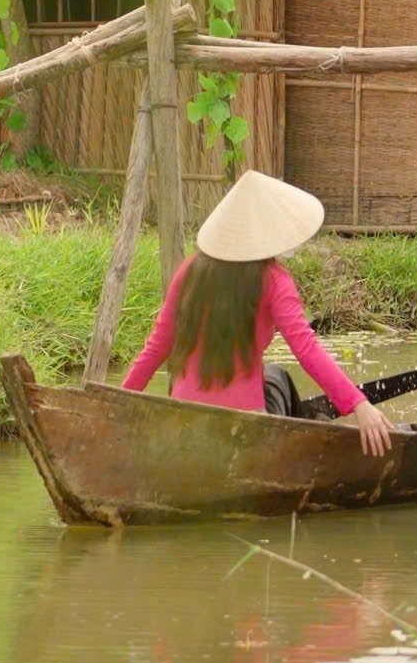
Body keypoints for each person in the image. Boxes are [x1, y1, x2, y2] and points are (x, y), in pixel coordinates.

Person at [121, 171, 394, 455]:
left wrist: (121, 401)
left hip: (183, 418)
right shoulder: (274, 279)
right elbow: (306, 349)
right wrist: (358, 404)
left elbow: (156, 347)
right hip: (244, 425)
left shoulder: (190, 271)